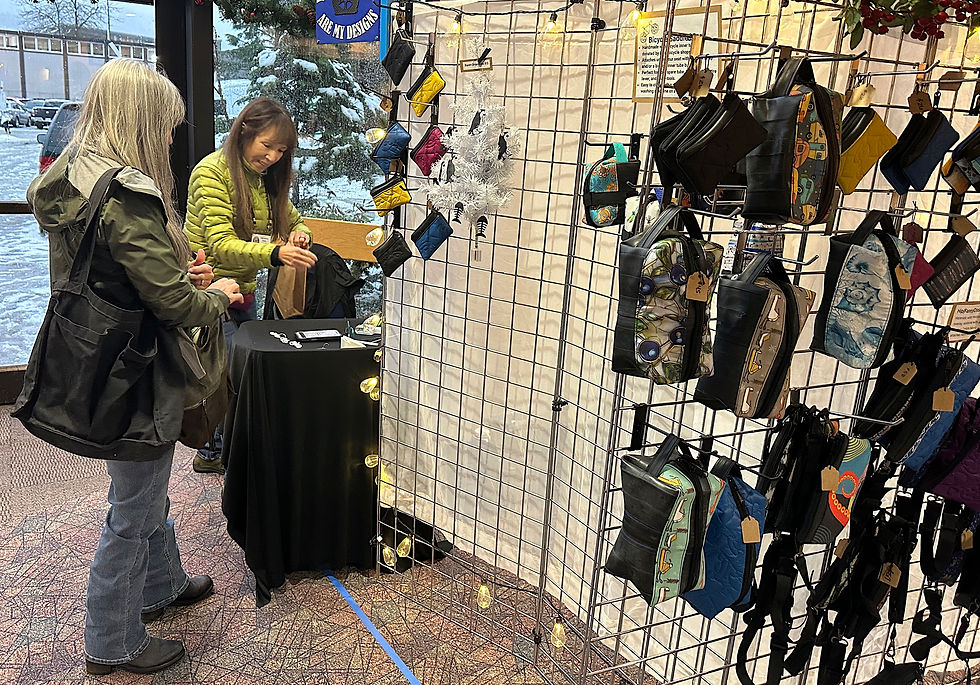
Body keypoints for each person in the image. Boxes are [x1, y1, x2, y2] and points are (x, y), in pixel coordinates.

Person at [26, 59, 243, 675]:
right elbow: (172, 303)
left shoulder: (73, 179)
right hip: (137, 367)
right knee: (136, 505)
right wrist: (216, 294)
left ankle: (161, 584)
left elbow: (113, 276)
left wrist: (177, 278)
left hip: (96, 357)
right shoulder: (129, 196)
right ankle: (111, 637)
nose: (170, 141)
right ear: (141, 120)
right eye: (166, 128)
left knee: (145, 486)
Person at [184, 96, 317, 473]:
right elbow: (220, 245)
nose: (273, 156)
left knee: (237, 374)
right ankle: (214, 453)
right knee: (218, 379)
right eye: (267, 145)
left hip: (242, 291)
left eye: (281, 150)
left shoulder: (263, 181)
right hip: (207, 291)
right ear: (245, 130)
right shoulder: (211, 172)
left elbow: (296, 221)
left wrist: (301, 236)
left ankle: (224, 450)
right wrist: (277, 254)